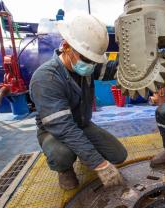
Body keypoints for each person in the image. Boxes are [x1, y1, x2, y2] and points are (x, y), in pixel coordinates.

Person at [29, 14, 127, 190]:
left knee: (118, 155)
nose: (90, 65)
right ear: (66, 47)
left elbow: (112, 69)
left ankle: (84, 154)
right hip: (55, 131)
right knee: (61, 155)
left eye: (93, 61)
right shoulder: (45, 79)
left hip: (82, 124)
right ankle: (65, 170)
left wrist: (138, 65)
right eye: (87, 59)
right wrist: (100, 165)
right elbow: (64, 129)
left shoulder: (85, 67)